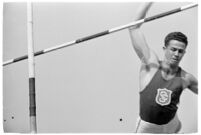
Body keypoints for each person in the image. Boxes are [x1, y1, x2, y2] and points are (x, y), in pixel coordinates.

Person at [128, 3, 198, 133]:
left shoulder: (186, 78)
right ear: (164, 49)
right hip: (148, 128)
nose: (176, 54)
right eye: (173, 49)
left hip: (172, 124)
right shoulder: (150, 63)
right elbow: (133, 27)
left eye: (180, 51)